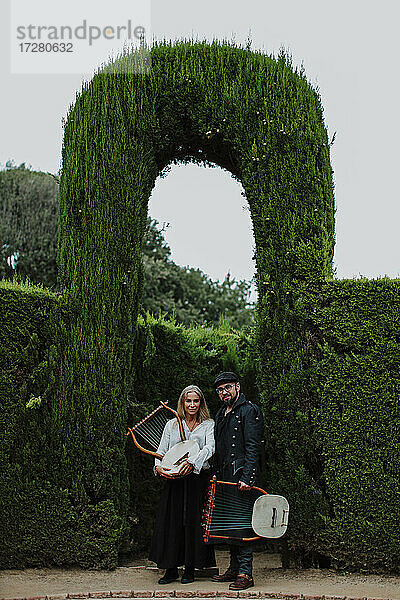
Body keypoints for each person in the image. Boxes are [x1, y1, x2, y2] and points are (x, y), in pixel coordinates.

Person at [149, 385, 216, 585]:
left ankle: (190, 569)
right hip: (174, 481)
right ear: (182, 402)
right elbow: (161, 451)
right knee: (172, 522)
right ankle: (170, 569)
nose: (192, 405)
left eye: (196, 401)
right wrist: (158, 467)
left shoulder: (208, 424)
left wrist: (192, 463)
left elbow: (210, 447)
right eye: (188, 401)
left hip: (196, 479)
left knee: (192, 522)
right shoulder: (172, 424)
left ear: (201, 402)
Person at [210, 371, 264, 591]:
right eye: (220, 390)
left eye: (228, 388)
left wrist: (248, 477)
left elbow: (254, 446)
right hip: (224, 476)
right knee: (229, 524)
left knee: (242, 524)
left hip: (241, 475)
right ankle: (233, 568)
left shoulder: (249, 410)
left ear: (237, 387)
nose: (224, 393)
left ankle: (245, 573)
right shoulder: (221, 413)